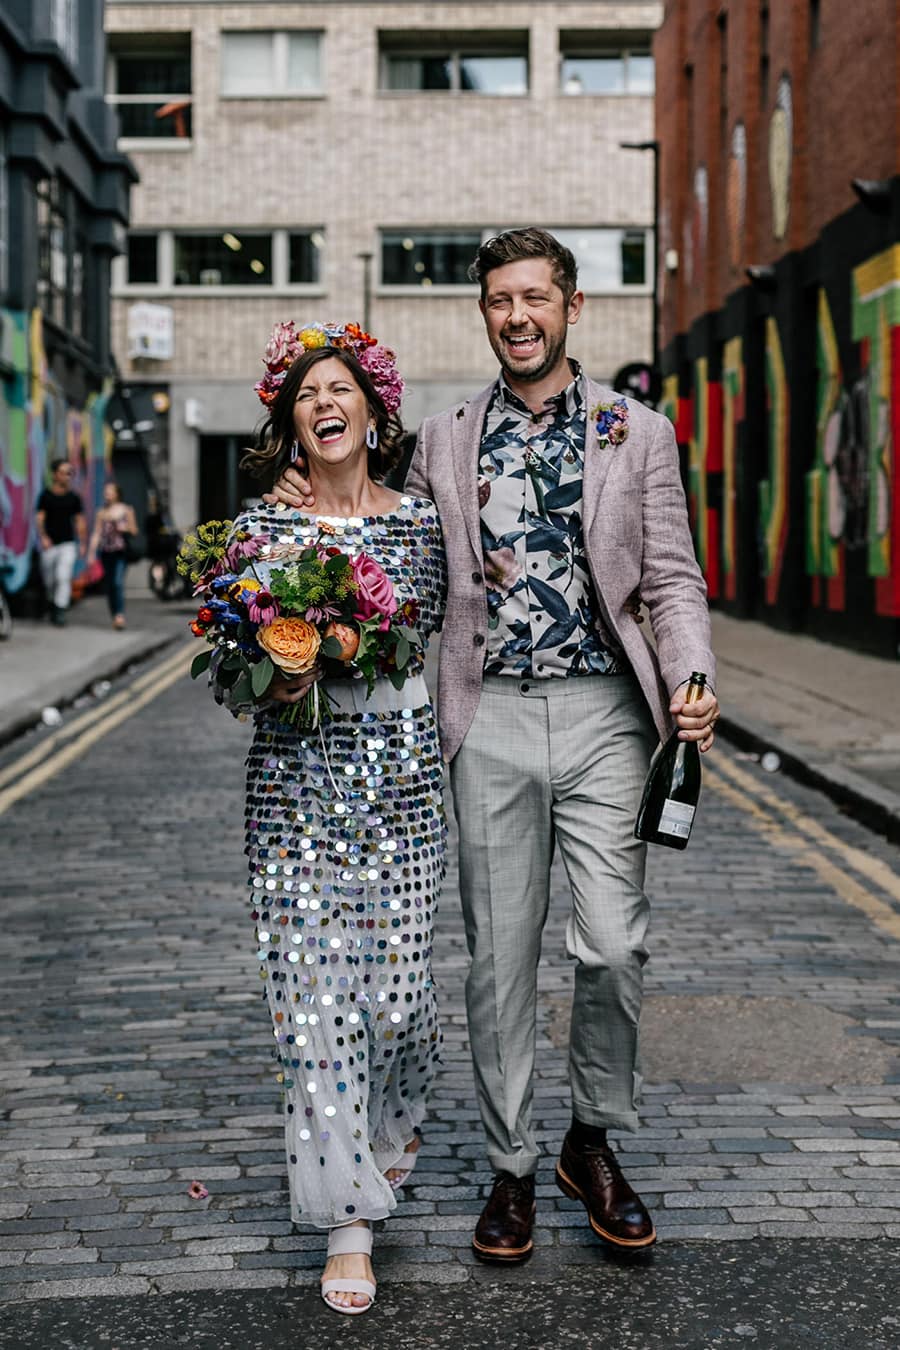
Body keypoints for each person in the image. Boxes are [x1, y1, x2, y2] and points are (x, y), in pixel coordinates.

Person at [269, 229, 720, 1263]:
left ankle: (592, 1139)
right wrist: (313, 507)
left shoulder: (635, 432)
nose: (517, 316)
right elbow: (393, 560)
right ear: (485, 316)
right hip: (488, 718)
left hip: (610, 713)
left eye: (534, 297)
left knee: (611, 945)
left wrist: (692, 673)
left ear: (570, 307)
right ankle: (514, 1167)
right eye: (498, 302)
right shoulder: (443, 437)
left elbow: (673, 580)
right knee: (499, 962)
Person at [212, 323, 446, 1314]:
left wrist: (351, 637)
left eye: (340, 385)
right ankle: (345, 1221)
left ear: (373, 407)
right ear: (289, 420)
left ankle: (387, 1132)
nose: (325, 402)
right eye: (306, 392)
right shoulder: (257, 536)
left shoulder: (422, 525)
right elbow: (236, 677)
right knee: (315, 1009)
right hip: (297, 783)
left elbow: (424, 626)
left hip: (402, 780)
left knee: (393, 1000)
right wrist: (285, 665)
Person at [35, 459, 87, 625]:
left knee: (63, 576)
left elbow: (79, 521)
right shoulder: (46, 496)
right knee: (50, 580)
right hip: (50, 544)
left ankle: (60, 610)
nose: (67, 476)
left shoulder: (74, 498)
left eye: (70, 473)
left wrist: (83, 542)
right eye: (64, 472)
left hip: (68, 543)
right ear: (55, 475)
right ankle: (52, 602)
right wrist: (43, 537)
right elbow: (40, 518)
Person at [87, 482, 139, 629]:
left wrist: (125, 528)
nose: (107, 494)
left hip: (120, 551)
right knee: (110, 585)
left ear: (117, 493)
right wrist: (91, 553)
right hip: (106, 551)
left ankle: (120, 615)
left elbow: (134, 530)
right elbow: (96, 533)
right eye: (105, 492)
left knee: (117, 582)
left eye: (110, 491)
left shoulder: (126, 510)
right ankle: (114, 614)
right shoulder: (101, 512)